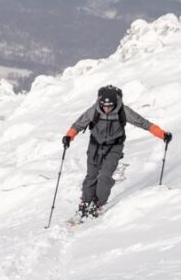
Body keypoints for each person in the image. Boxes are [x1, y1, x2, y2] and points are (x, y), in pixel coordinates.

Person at [63, 84, 171, 217]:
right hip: (95, 146)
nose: (107, 109)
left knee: (104, 176)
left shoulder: (123, 111)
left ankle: (98, 204)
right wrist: (69, 137)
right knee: (91, 175)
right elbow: (78, 125)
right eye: (104, 106)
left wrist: (162, 134)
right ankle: (85, 202)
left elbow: (143, 123)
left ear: (115, 104)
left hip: (114, 147)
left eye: (110, 106)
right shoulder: (94, 111)